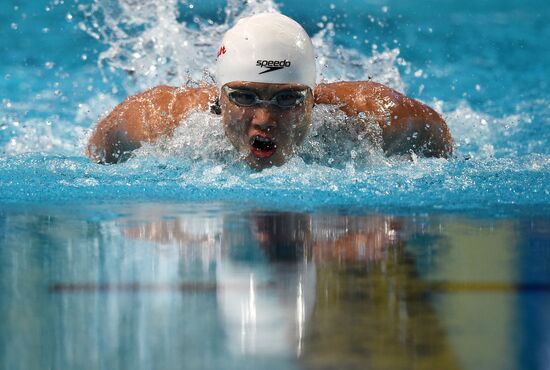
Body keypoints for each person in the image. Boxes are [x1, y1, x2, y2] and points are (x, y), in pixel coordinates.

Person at [86, 12, 453, 169]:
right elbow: (98, 150)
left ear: (314, 98)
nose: (264, 119)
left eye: (288, 99)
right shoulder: (160, 119)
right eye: (243, 97)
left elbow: (437, 136)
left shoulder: (369, 117)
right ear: (218, 98)